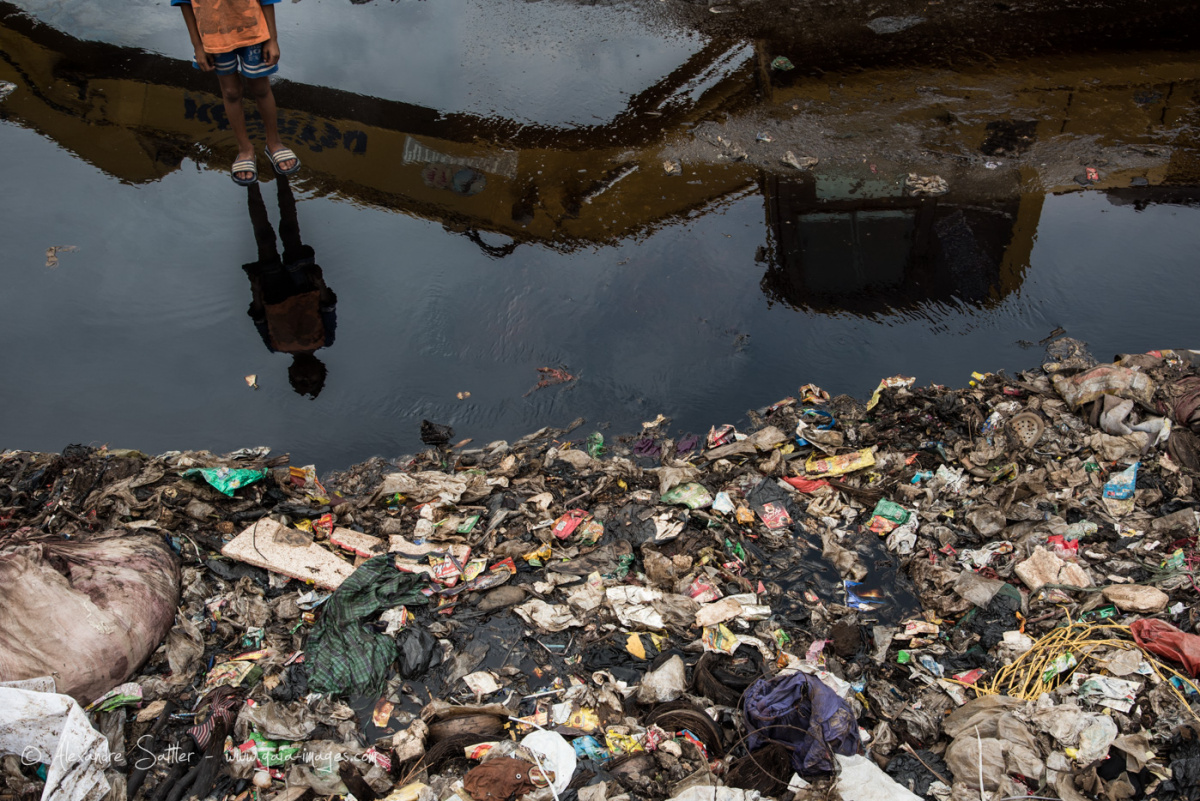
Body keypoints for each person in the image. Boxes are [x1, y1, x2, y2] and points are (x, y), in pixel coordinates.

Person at [173, 0, 301, 185]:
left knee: (261, 88)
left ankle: (274, 143)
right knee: (231, 92)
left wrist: (272, 39)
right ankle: (244, 149)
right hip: (214, 39)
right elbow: (184, 3)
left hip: (254, 34)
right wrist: (198, 46)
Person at [243, 176, 336, 398]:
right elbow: (328, 309)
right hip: (304, 285)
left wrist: (256, 290)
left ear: (290, 373)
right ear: (321, 370)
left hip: (272, 291)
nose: (304, 377)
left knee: (264, 238)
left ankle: (251, 182)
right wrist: (321, 284)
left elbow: (259, 319)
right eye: (311, 380)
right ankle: (281, 176)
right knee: (290, 232)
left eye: (298, 381)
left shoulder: (275, 346)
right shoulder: (326, 340)